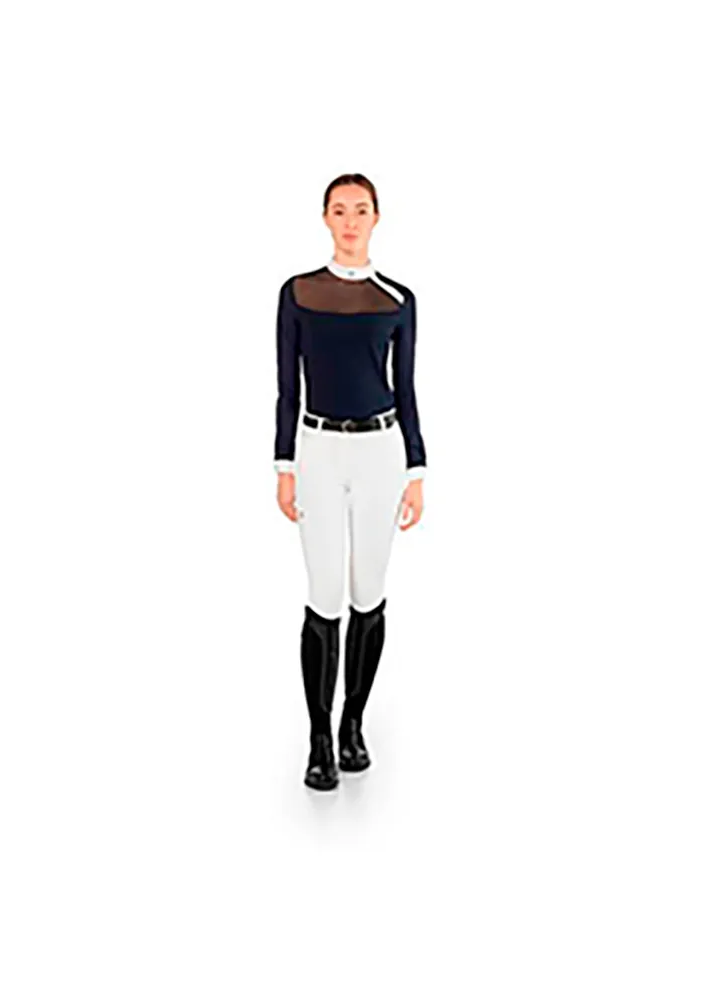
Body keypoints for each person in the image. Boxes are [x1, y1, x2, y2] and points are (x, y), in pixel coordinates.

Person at [274, 173, 427, 791]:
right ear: (325, 218)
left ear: (376, 218)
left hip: (380, 454)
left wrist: (416, 470)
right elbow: (287, 386)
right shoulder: (298, 292)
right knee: (324, 594)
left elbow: (406, 387)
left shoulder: (398, 299)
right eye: (339, 210)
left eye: (360, 210)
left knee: (369, 591)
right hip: (317, 451)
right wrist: (284, 465)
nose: (350, 221)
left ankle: (352, 726)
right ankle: (318, 739)